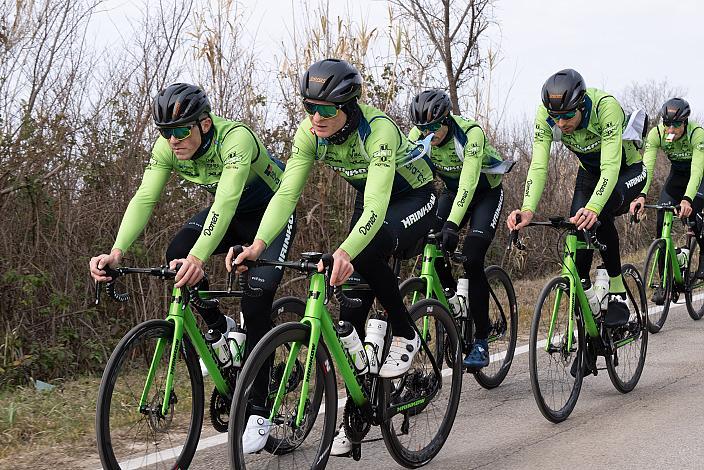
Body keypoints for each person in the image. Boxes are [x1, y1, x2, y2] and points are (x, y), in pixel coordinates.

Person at [228, 58, 437, 455]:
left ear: (349, 105)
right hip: (373, 198)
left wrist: (344, 250)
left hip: (413, 195)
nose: (316, 117)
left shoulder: (378, 132)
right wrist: (257, 245)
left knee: (367, 249)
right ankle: (357, 411)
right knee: (351, 307)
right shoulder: (309, 134)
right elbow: (287, 194)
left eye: (326, 109)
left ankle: (406, 332)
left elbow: (376, 205)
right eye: (309, 107)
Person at [88, 83, 295, 439]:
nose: (174, 140)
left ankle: (260, 411)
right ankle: (220, 327)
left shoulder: (235, 139)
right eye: (166, 132)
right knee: (175, 257)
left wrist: (200, 257)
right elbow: (144, 198)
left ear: (205, 124)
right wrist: (117, 251)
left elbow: (226, 201)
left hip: (270, 217)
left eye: (181, 130)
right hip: (229, 216)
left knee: (256, 300)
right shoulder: (168, 147)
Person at [507, 69, 647, 328]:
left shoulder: (606, 108)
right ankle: (588, 332)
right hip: (589, 173)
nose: (561, 124)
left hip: (627, 170)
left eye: (568, 116)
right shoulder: (546, 117)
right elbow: (539, 166)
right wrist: (528, 209)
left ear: (580, 104)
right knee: (576, 233)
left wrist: (594, 206)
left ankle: (617, 289)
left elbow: (611, 167)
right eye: (555, 117)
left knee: (599, 212)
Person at [408, 89, 504, 369]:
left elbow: (469, 182)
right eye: (422, 128)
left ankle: (482, 341)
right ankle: (451, 298)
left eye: (434, 126)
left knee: (472, 258)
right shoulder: (417, 138)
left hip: (485, 193)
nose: (428, 133)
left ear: (446, 118)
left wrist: (452, 224)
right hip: (451, 192)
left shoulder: (470, 134)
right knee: (430, 243)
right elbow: (411, 179)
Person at [630, 98, 704, 297]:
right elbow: (647, 168)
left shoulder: (697, 134)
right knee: (662, 222)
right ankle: (664, 282)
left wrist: (688, 199)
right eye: (667, 123)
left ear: (685, 122)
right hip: (677, 176)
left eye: (677, 124)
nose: (671, 128)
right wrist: (641, 195)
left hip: (700, 175)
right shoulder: (657, 134)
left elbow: (697, 171)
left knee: (694, 215)